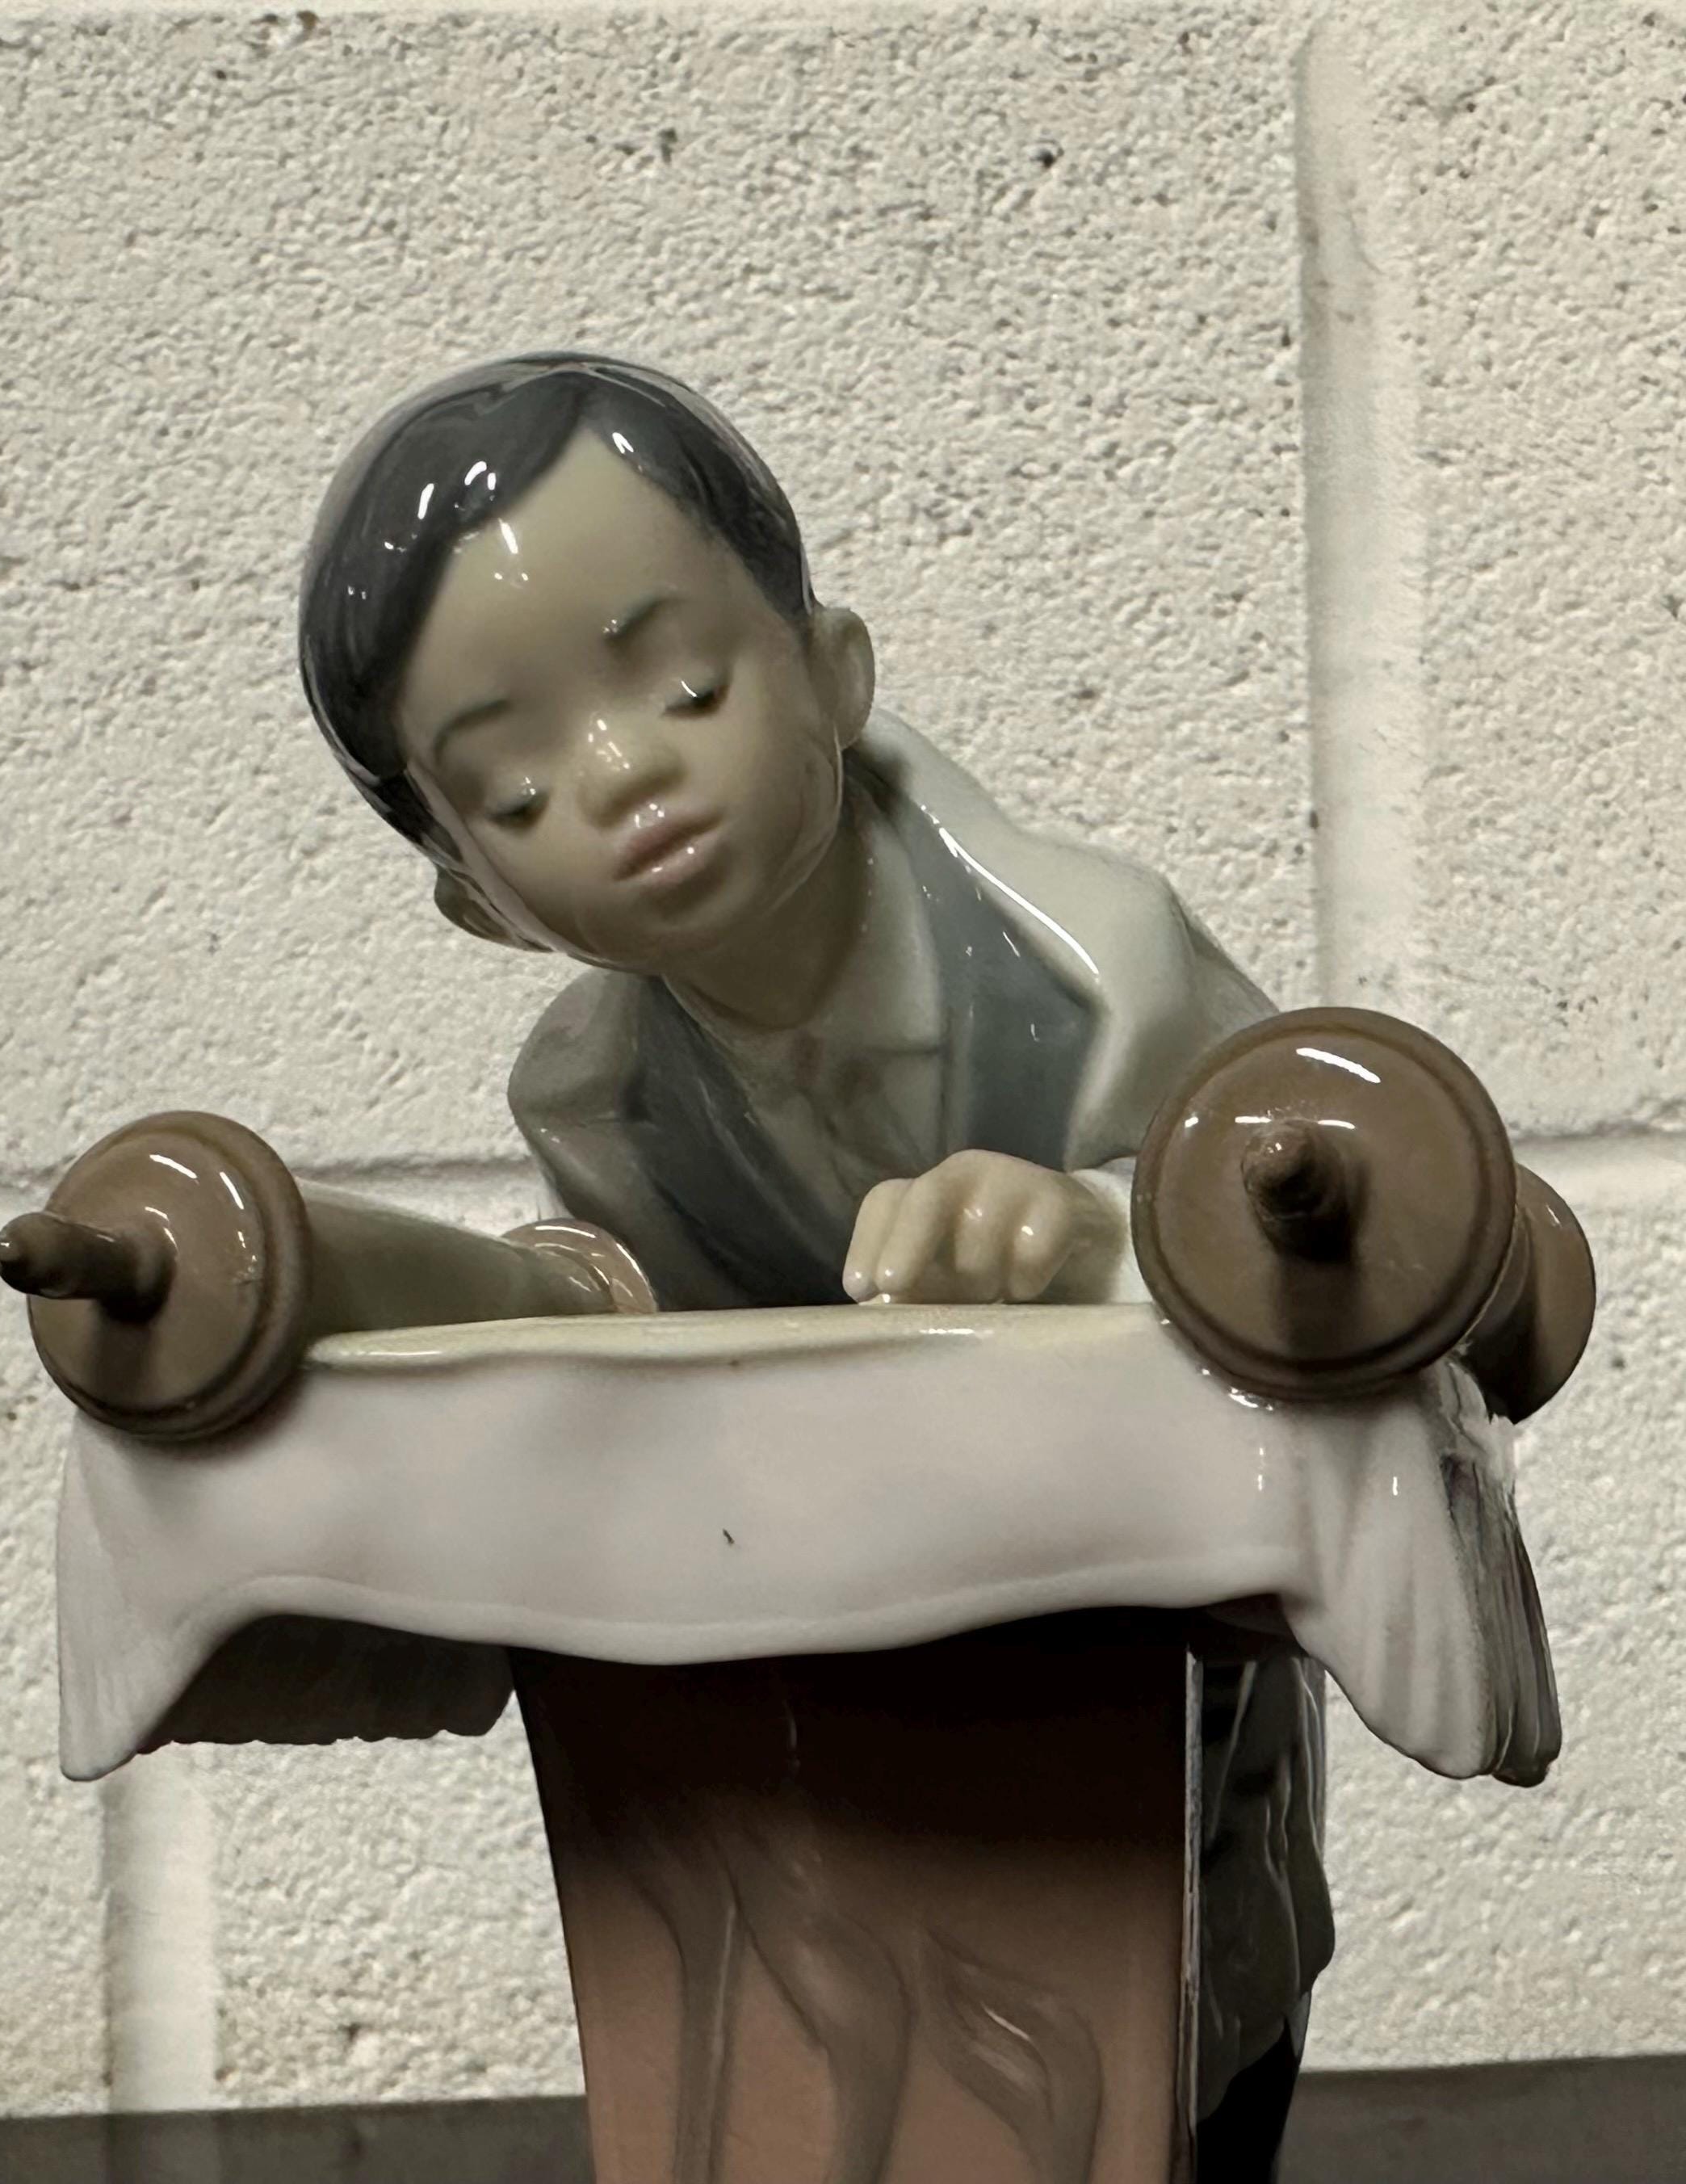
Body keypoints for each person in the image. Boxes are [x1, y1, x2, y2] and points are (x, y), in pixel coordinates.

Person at [300, 352, 1329, 2175]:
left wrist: (1102, 1230)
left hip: (1135, 1725)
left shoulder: (1103, 968)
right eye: (516, 793)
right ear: (477, 897)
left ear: (835, 669)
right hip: (815, 1765)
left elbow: (1329, 1256)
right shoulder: (595, 1098)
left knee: (1160, 2087)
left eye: (687, 685)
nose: (624, 772)